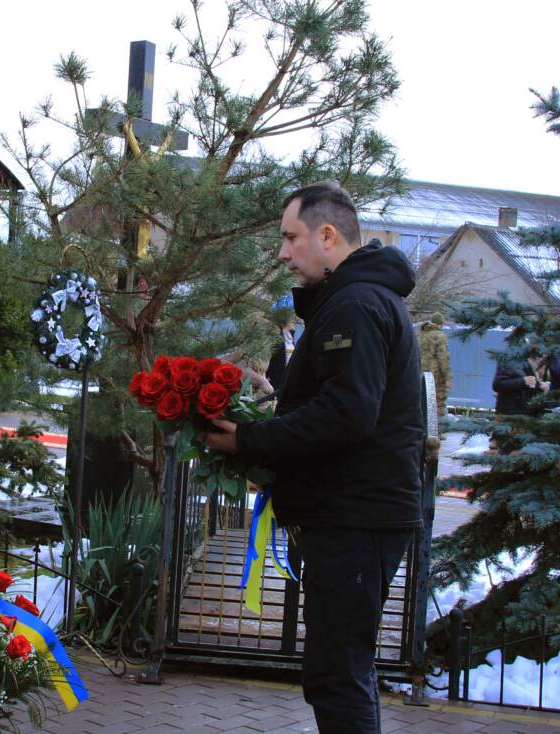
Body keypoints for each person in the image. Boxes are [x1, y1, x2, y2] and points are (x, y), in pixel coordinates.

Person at [206, 182, 423, 734]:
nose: (283, 253)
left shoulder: (356, 304)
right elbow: (336, 405)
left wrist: (249, 440)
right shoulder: (352, 301)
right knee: (336, 672)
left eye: (290, 237)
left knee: (336, 675)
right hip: (350, 515)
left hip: (355, 517)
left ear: (327, 236)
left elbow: (347, 415)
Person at [418, 311, 452, 412]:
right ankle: (439, 424)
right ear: (441, 323)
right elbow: (443, 358)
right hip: (434, 374)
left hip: (419, 372)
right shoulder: (440, 336)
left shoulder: (420, 334)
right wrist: (447, 376)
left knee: (422, 401)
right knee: (438, 402)